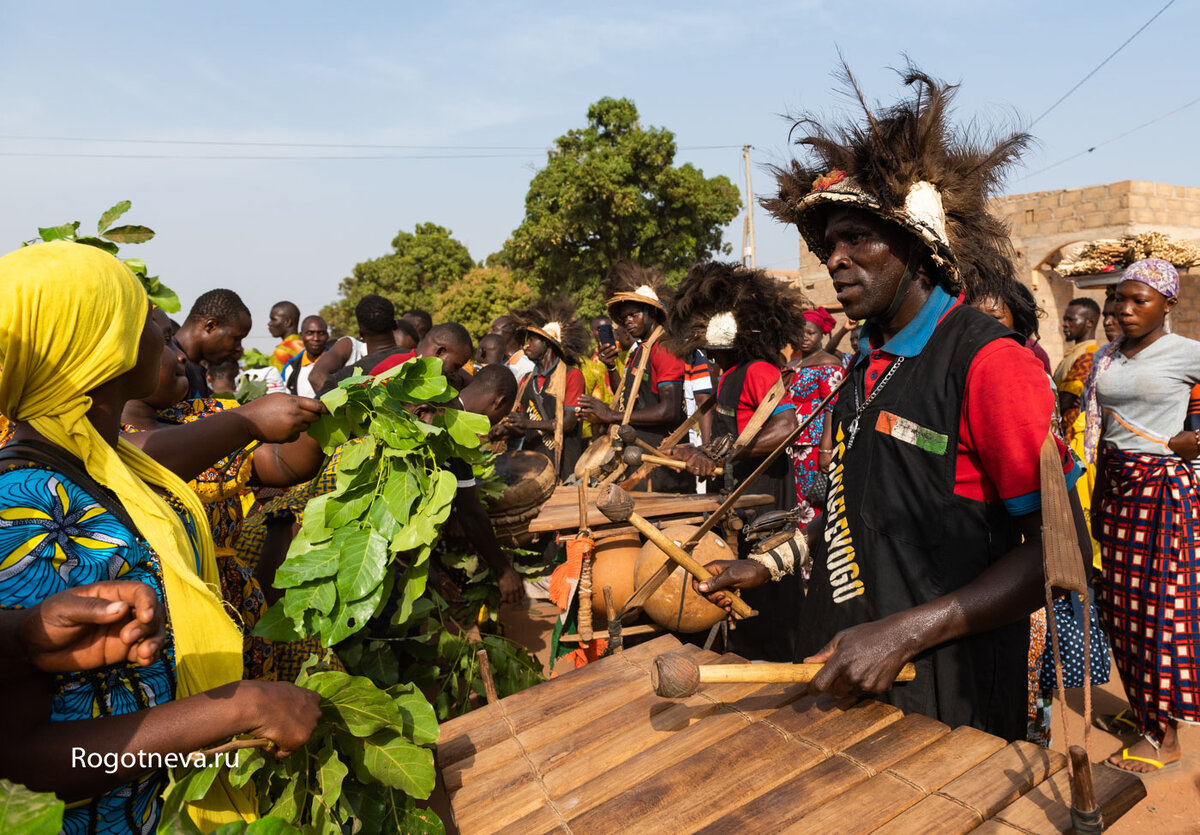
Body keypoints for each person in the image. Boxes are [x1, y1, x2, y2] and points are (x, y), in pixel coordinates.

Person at [701, 66, 1080, 742]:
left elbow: (1057, 548)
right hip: (844, 678)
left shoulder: (989, 363)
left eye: (859, 238)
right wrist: (771, 563)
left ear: (918, 244)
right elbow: (853, 518)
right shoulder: (863, 366)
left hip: (948, 701)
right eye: (829, 245)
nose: (836, 260)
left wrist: (905, 632)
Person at [0, 241, 320, 832]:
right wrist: (234, 710)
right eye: (144, 316)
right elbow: (22, 766)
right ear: (101, 348)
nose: (161, 331)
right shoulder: (26, 501)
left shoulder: (104, 466)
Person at [1081, 258, 1200, 773]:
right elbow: (1104, 428)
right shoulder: (1108, 357)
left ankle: (1164, 737)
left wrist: (1195, 441)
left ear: (1167, 305)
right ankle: (1143, 709)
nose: (1124, 311)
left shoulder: (1186, 353)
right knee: (1121, 609)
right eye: (1119, 300)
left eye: (1139, 301)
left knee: (1155, 612)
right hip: (1116, 490)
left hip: (1161, 494)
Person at [667, 261, 806, 660]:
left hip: (767, 492)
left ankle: (780, 654)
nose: (712, 357)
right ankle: (749, 645)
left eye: (718, 352)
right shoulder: (728, 375)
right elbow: (725, 434)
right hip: (740, 491)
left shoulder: (759, 370)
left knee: (771, 576)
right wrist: (701, 453)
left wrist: (731, 452)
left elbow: (787, 428)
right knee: (742, 570)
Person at [577, 262, 691, 493]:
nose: (627, 321)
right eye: (624, 317)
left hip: (662, 460)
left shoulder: (665, 348)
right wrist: (611, 368)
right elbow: (630, 398)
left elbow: (669, 410)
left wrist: (610, 415)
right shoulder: (639, 350)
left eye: (634, 314)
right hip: (640, 454)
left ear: (652, 313)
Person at [496, 300, 588, 479]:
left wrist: (527, 423)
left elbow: (569, 423)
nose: (525, 345)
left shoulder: (572, 376)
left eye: (531, 339)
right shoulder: (526, 380)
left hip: (564, 466)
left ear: (547, 343)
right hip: (533, 468)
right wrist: (505, 430)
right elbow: (524, 425)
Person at [785, 308, 845, 521]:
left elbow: (832, 408)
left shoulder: (829, 364)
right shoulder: (793, 364)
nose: (804, 338)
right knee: (794, 498)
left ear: (821, 335)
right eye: (800, 333)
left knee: (813, 500)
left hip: (814, 444)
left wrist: (826, 449)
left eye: (811, 333)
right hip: (791, 443)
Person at [307, 294, 399, 394]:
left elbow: (316, 377)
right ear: (395, 325)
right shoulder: (415, 361)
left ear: (360, 331)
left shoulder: (350, 376)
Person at [172, 289, 253, 398]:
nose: (239, 348)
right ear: (211, 326)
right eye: (236, 338)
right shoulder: (168, 364)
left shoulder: (196, 370)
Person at [282, 314, 330, 397]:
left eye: (321, 333)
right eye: (310, 333)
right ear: (301, 336)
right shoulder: (290, 369)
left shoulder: (338, 364)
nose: (315, 338)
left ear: (327, 336)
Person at [490, 315, 536, 382]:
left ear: (511, 333)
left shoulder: (526, 366)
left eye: (494, 329)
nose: (489, 333)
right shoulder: (501, 362)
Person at [267, 301, 304, 372]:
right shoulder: (307, 346)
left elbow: (279, 381)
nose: (269, 323)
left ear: (287, 322)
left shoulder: (281, 352)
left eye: (273, 319)